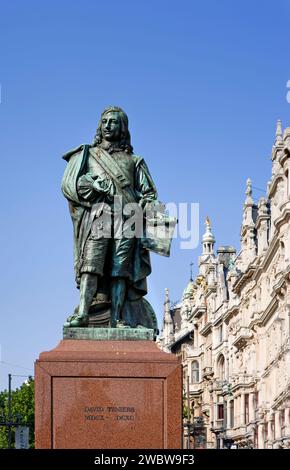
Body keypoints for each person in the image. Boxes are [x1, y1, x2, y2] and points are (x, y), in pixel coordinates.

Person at [61, 106, 160, 328]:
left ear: (122, 128)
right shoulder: (88, 154)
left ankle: (117, 318)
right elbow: (72, 185)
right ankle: (83, 314)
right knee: (91, 264)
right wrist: (93, 185)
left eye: (113, 122)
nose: (107, 126)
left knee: (120, 270)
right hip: (100, 216)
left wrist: (147, 203)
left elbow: (150, 193)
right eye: (104, 121)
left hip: (127, 218)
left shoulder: (135, 161)